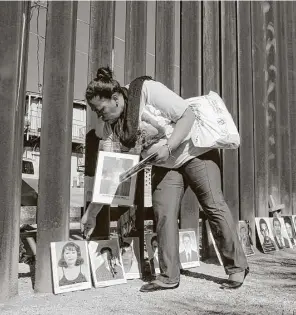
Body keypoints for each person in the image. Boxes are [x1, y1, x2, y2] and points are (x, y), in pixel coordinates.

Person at [82, 67, 248, 291]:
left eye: (100, 110)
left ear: (115, 98)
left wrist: (169, 147)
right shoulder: (111, 128)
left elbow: (187, 114)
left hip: (194, 151)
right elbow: (111, 175)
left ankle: (237, 267)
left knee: (213, 205)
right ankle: (169, 276)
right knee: (164, 213)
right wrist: (92, 213)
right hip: (165, 164)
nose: (99, 115)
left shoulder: (146, 90)